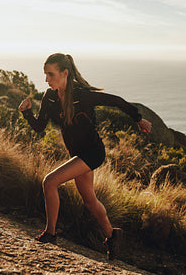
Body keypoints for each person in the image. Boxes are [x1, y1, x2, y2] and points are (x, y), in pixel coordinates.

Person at [18, 53, 152, 260]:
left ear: (65, 73)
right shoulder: (50, 97)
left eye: (50, 74)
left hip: (92, 152)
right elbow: (39, 127)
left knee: (50, 182)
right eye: (45, 75)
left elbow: (115, 101)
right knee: (90, 201)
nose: (46, 79)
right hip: (77, 154)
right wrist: (27, 113)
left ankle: (51, 233)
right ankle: (112, 235)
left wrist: (138, 119)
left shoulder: (83, 94)